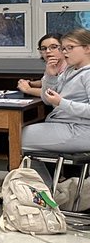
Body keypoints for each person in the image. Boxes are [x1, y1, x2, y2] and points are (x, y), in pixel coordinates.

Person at [21, 28, 90, 163]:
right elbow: (47, 100)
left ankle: (38, 182)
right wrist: (50, 76)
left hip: (81, 130)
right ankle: (44, 181)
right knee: (20, 134)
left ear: (87, 48)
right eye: (63, 49)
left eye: (70, 48)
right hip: (65, 125)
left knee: (18, 137)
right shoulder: (71, 70)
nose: (65, 53)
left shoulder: (88, 74)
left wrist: (61, 103)